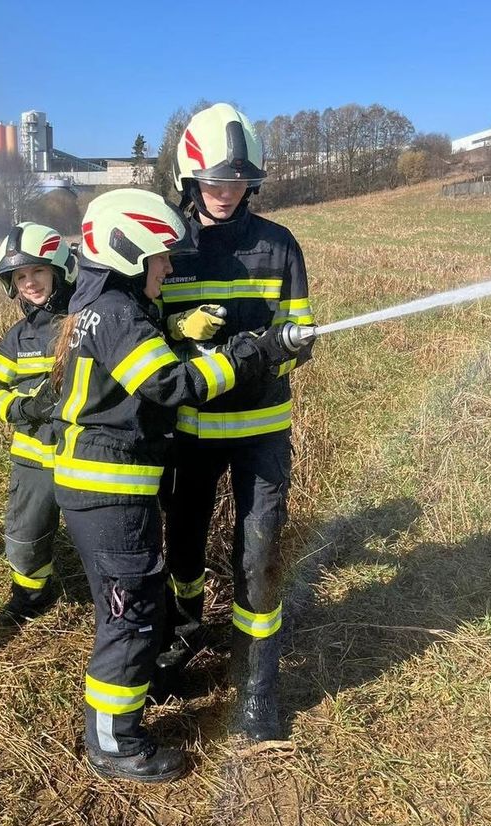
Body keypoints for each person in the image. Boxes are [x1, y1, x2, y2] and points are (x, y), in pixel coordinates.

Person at [50, 187, 307, 782]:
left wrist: (177, 329)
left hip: (108, 487)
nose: (169, 268)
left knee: (134, 602)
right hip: (109, 488)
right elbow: (172, 386)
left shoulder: (106, 306)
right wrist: (249, 353)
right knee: (130, 613)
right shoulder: (117, 314)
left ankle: (121, 722)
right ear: (128, 255)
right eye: (160, 257)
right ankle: (115, 743)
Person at [156, 103, 316, 741]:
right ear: (190, 179)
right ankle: (185, 636)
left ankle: (257, 690)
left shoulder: (279, 245)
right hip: (188, 433)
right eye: (215, 180)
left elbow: (302, 333)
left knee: (259, 556)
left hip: (260, 432)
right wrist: (176, 329)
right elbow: (141, 333)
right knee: (183, 545)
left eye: (239, 181)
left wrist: (284, 346)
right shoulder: (167, 246)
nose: (227, 192)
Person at [0, 222, 76, 625]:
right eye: (19, 276)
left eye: (38, 271)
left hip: (86, 456)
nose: (29, 283)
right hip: (34, 458)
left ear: (60, 270)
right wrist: (23, 409)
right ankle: (31, 595)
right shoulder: (19, 338)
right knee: (26, 536)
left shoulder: (87, 320)